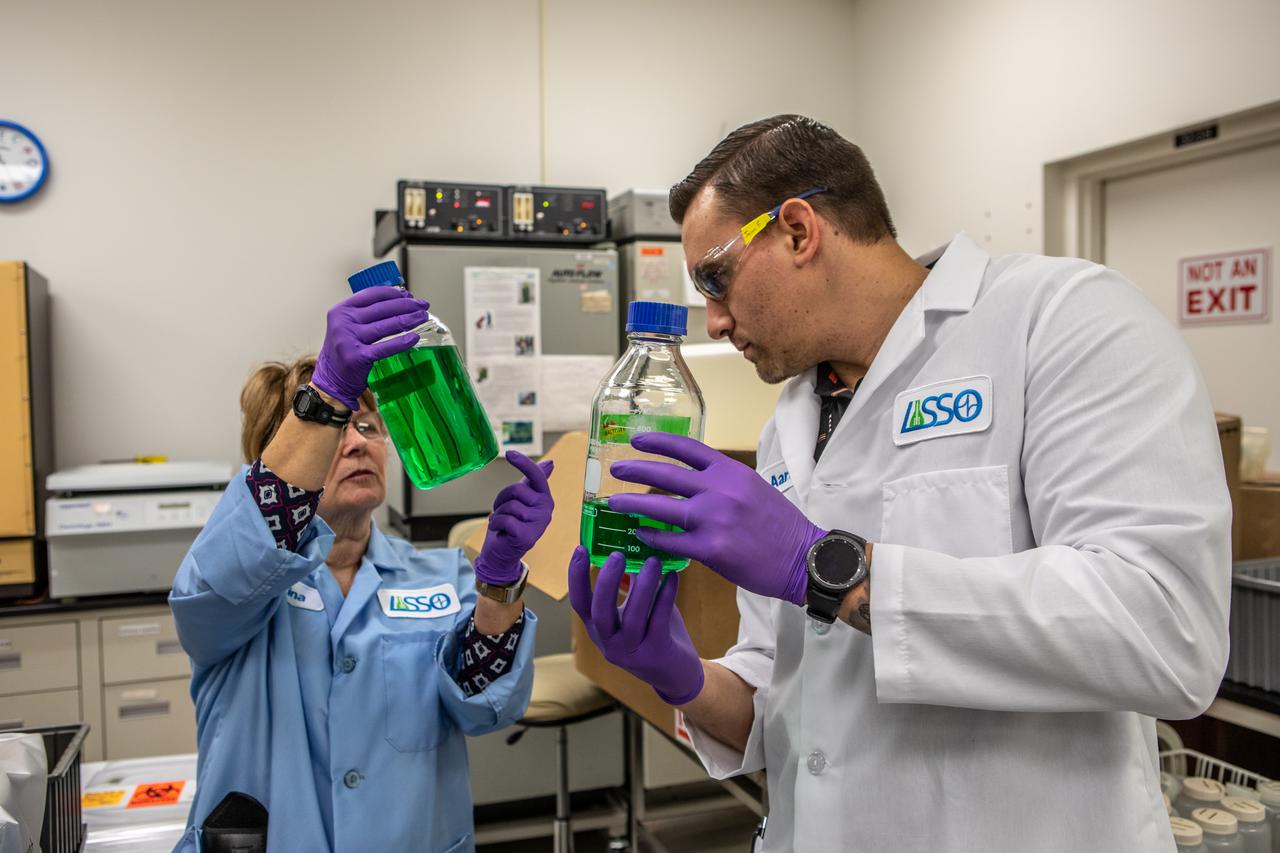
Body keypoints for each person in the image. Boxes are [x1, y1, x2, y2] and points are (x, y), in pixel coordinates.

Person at [568, 115, 1231, 852]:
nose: (715, 321)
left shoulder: (1063, 319)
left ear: (796, 230)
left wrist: (827, 568)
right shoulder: (787, 424)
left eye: (716, 279)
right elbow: (782, 694)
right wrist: (683, 675)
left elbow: (1166, 630)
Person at [171, 285, 553, 852]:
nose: (357, 443)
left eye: (369, 427)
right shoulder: (232, 580)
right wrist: (326, 393)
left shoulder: (439, 575)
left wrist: (498, 581)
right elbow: (235, 570)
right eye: (336, 426)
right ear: (277, 454)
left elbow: (483, 707)